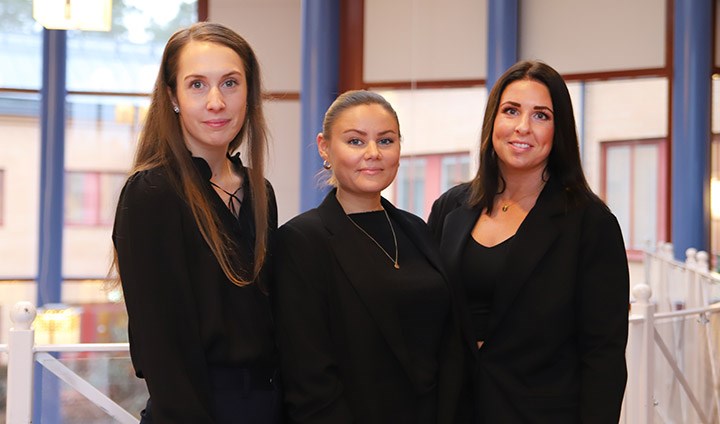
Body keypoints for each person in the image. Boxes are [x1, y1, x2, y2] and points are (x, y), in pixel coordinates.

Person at [428, 60, 629, 423]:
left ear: (559, 131)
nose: (522, 127)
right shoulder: (449, 208)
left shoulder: (591, 223)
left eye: (541, 116)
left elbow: (604, 355)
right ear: (493, 121)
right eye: (511, 111)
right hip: (456, 409)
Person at [112, 22, 281, 423]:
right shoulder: (152, 193)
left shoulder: (259, 191)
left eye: (230, 83)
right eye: (197, 85)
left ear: (249, 92)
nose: (216, 102)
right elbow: (164, 349)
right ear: (172, 96)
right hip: (195, 410)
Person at [272, 90, 472, 424]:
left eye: (385, 140)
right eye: (355, 141)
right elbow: (309, 379)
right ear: (325, 147)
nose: (373, 154)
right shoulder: (301, 241)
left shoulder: (416, 229)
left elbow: (448, 344)